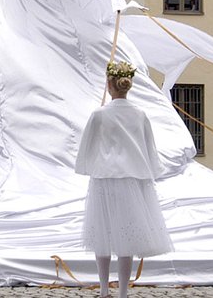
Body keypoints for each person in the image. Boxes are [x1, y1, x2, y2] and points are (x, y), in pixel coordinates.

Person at [75, 60, 172, 298]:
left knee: (103, 233)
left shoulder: (99, 114)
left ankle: (104, 288)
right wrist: (150, 171)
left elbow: (86, 146)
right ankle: (123, 291)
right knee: (126, 235)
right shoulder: (140, 114)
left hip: (104, 177)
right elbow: (149, 147)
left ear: (109, 84)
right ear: (129, 85)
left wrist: (86, 166)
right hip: (131, 177)